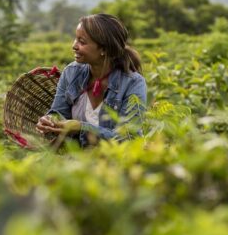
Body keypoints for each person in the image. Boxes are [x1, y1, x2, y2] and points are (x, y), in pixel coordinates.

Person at [36, 13, 147, 147]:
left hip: (117, 161)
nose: (74, 46)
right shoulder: (71, 72)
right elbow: (59, 112)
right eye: (75, 39)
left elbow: (129, 138)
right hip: (77, 161)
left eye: (82, 42)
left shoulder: (133, 83)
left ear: (104, 49)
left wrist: (81, 127)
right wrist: (50, 121)